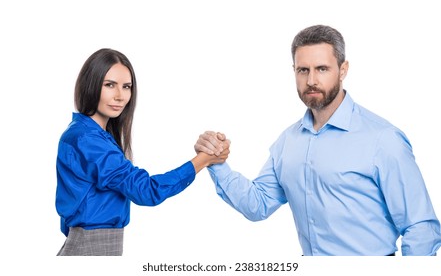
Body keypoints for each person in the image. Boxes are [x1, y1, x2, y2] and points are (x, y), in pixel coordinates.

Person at [194, 25, 441, 256]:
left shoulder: (383, 139)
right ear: (294, 71)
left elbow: (420, 227)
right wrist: (214, 160)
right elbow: (258, 205)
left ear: (342, 70)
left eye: (322, 69)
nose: (311, 80)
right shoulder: (288, 142)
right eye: (303, 70)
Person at [55, 48, 229, 256]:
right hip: (92, 246)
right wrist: (204, 159)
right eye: (109, 85)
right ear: (91, 85)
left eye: (126, 87)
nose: (120, 96)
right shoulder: (88, 140)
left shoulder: (92, 135)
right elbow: (147, 191)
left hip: (92, 243)